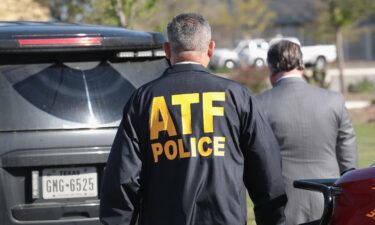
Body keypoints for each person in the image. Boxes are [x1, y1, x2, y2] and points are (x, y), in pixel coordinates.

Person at [100, 13, 287, 225]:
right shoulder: (236, 96)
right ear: (210, 48)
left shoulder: (144, 100)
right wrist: (274, 220)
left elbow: (122, 178)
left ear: (167, 50)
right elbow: (265, 169)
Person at [256, 40, 358, 225]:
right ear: (301, 64)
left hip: (282, 203)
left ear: (270, 67)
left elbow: (256, 160)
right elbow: (348, 156)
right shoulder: (334, 100)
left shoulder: (259, 104)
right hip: (329, 198)